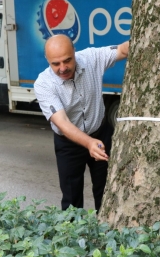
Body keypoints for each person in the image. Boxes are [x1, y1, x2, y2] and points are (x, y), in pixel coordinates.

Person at [33, 34, 129, 211]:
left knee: (107, 191)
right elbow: (61, 122)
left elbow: (123, 49)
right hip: (68, 144)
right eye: (56, 64)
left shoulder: (91, 58)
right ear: (47, 60)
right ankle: (75, 236)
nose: (63, 68)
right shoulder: (43, 84)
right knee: (71, 200)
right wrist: (89, 142)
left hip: (100, 133)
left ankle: (105, 232)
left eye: (67, 60)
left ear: (74, 52)